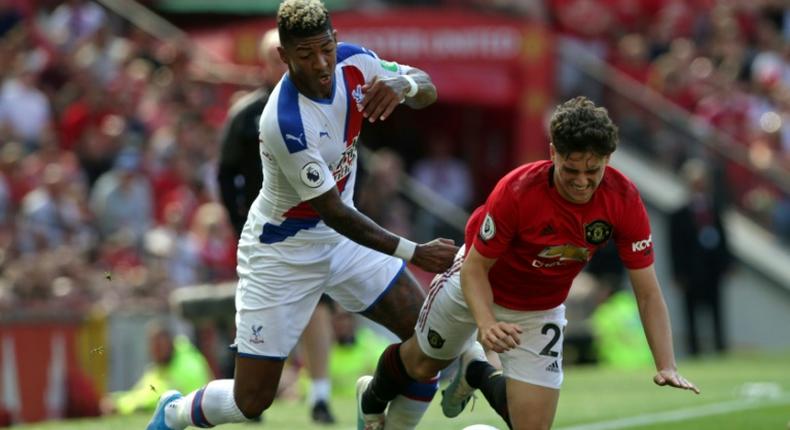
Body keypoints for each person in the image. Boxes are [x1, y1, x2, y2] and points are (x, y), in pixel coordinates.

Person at [146, 1, 458, 429]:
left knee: (430, 342)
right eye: (306, 54)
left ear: (336, 40)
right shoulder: (284, 120)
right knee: (251, 401)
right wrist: (413, 251)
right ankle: (176, 413)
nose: (322, 63)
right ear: (284, 57)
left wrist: (403, 83)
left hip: (344, 243)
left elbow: (428, 87)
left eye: (326, 48)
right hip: (282, 255)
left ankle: (375, 401)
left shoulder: (356, 61)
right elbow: (331, 211)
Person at [358, 96, 699, 430]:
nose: (582, 182)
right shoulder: (518, 191)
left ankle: (476, 370)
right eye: (571, 169)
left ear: (608, 159)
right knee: (422, 365)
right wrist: (487, 323)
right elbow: (476, 268)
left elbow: (648, 293)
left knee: (532, 426)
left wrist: (666, 364)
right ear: (553, 153)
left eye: (592, 170)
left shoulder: (623, 200)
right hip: (478, 284)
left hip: (540, 308)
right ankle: (370, 399)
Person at [216, 27, 337, 424]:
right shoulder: (248, 113)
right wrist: (239, 223)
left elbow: (353, 161)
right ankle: (252, 392)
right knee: (263, 313)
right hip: (267, 233)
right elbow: (225, 174)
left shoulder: (323, 102)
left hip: (317, 226)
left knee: (317, 306)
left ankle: (319, 393)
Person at [668, 158, 731, 356]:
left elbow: (723, 237)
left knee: (717, 309)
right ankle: (694, 350)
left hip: (712, 268)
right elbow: (674, 246)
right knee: (690, 312)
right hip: (691, 270)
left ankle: (720, 347)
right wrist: (678, 273)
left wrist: (727, 263)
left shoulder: (715, 208)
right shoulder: (679, 214)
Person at [102, 321, 212, 416]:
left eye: (159, 345)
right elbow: (140, 393)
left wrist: (120, 406)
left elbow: (160, 398)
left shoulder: (188, 366)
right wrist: (115, 399)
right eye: (152, 346)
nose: (155, 351)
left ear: (170, 343)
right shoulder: (161, 366)